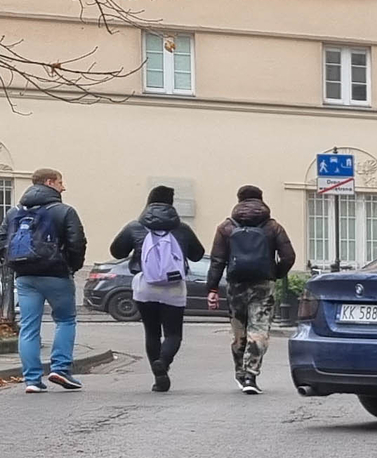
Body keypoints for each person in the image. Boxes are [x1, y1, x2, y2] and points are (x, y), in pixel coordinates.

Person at [110, 185, 205, 392]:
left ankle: (158, 378)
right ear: (172, 204)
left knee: (151, 332)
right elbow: (198, 254)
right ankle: (163, 361)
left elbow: (116, 251)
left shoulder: (135, 226)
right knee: (173, 334)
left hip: (145, 286)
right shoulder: (182, 229)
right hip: (174, 286)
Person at [205, 183, 295, 395]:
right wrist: (276, 273)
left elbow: (217, 260)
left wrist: (212, 289)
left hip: (236, 284)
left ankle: (240, 372)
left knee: (239, 331)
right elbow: (289, 257)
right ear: (261, 200)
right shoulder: (273, 227)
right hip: (263, 284)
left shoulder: (226, 227)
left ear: (239, 201)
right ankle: (250, 374)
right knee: (259, 328)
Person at [4, 168, 87, 392]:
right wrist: (72, 267)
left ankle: (32, 380)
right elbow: (77, 242)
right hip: (56, 274)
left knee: (29, 327)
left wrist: (14, 264)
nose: (63, 187)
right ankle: (60, 369)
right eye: (60, 182)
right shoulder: (64, 211)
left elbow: (3, 241)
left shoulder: (14, 213)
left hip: (25, 276)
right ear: (49, 182)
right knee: (65, 320)